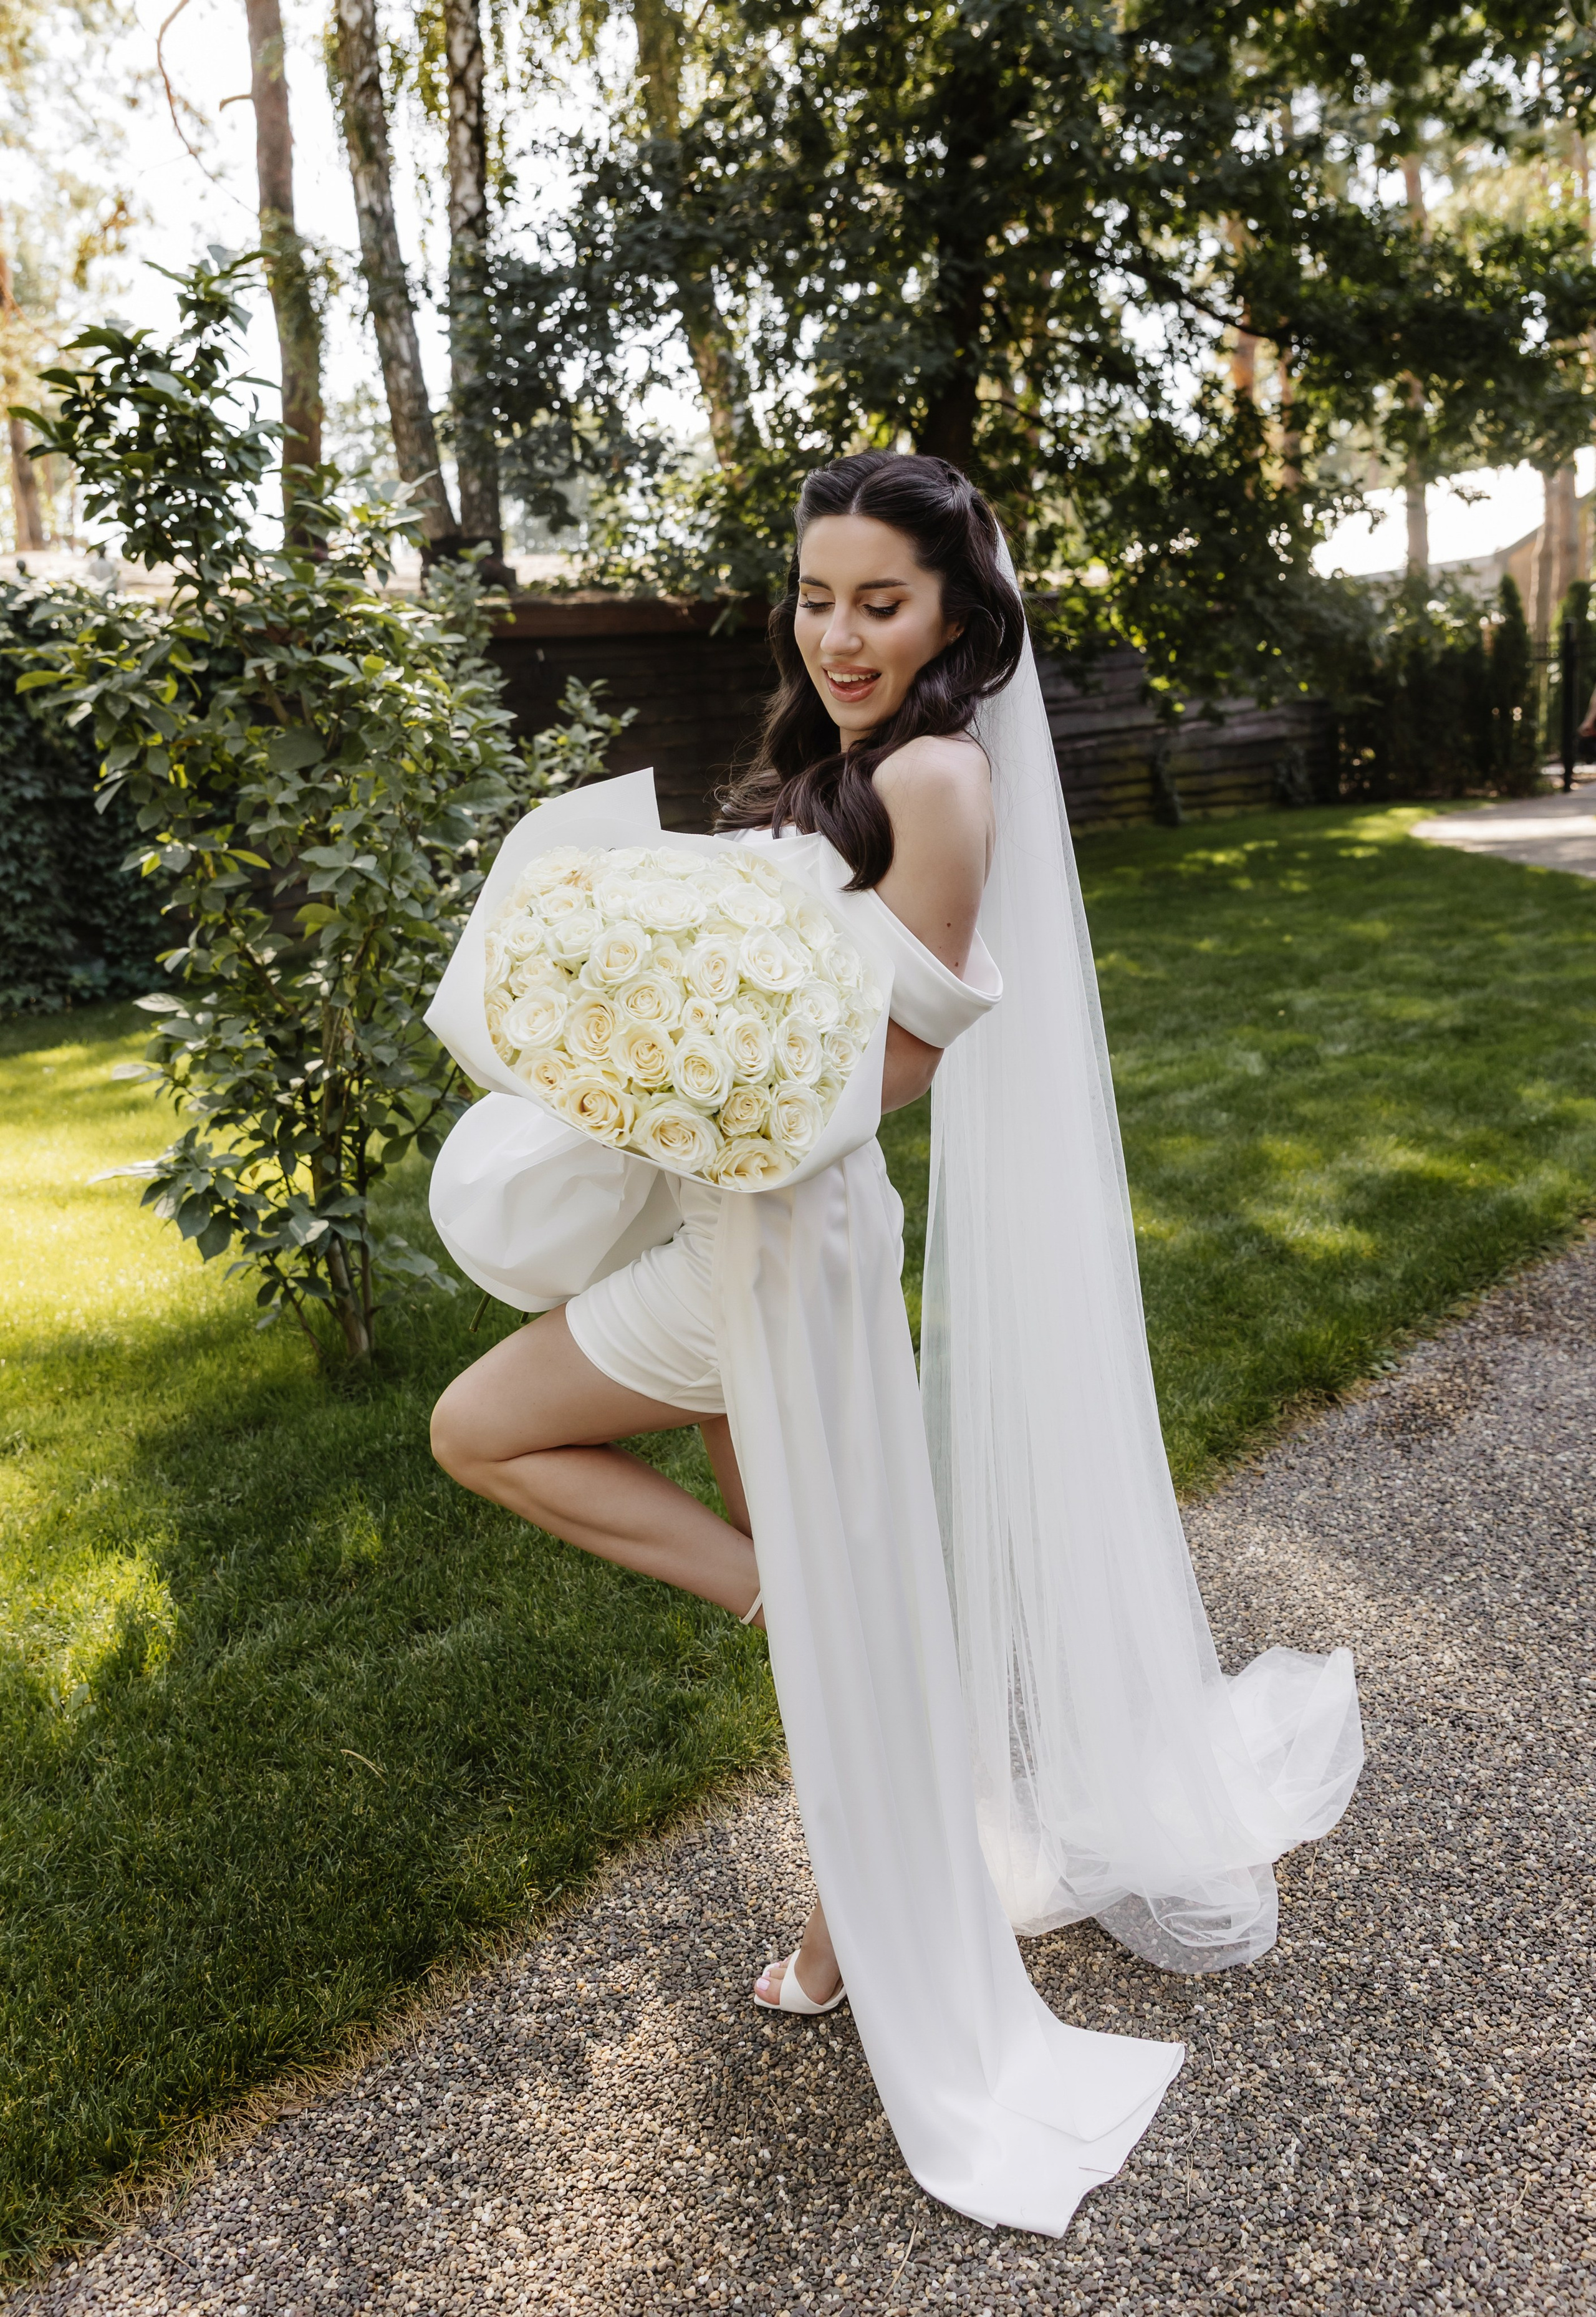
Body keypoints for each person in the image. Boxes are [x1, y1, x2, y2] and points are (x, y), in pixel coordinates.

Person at [425, 453, 1363, 2236]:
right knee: (797, 1587)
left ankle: (802, 1622)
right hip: (747, 1219)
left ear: (955, 615)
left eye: (882, 602)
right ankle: (843, 1906)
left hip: (777, 1237)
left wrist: (707, 1091)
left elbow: (904, 1061)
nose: (841, 633)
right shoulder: (839, 761)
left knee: (483, 1428)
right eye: (818, 597)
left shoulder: (937, 776)